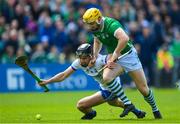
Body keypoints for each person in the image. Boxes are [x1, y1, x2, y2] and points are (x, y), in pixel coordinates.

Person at [82, 8, 162, 119]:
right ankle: (128, 103)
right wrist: (95, 55)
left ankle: (155, 109)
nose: (89, 26)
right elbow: (97, 40)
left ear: (99, 19)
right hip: (116, 58)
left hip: (129, 56)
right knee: (107, 77)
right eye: (88, 24)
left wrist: (114, 56)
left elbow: (124, 38)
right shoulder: (96, 28)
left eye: (91, 23)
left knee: (143, 89)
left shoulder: (111, 25)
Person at [39, 43, 146, 120]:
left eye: (84, 58)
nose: (82, 60)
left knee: (80, 105)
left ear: (91, 55)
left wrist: (111, 61)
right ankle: (137, 112)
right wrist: (48, 81)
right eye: (80, 57)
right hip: (103, 87)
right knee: (114, 103)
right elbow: (63, 75)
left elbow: (112, 59)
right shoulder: (79, 63)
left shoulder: (99, 60)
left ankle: (91, 114)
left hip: (111, 85)